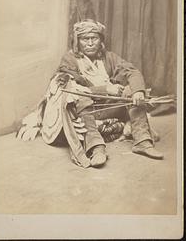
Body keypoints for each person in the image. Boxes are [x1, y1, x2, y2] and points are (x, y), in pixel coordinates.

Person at [18, 19, 163, 168]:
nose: (90, 43)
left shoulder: (109, 57)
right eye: (85, 39)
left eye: (94, 38)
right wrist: (105, 89)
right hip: (85, 111)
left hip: (107, 109)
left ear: (101, 40)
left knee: (131, 90)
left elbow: (131, 71)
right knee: (80, 98)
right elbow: (69, 90)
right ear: (77, 41)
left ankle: (142, 141)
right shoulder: (70, 60)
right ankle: (96, 148)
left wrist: (138, 91)